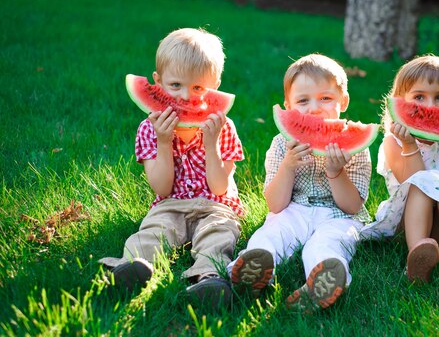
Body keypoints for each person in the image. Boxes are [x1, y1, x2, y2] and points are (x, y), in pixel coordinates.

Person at [99, 28, 244, 308]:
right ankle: (130, 268)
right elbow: (162, 187)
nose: (185, 97)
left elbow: (219, 187)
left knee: (219, 233)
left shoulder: (222, 127)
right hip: (169, 204)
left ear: (215, 86)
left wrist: (211, 143)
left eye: (198, 88)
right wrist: (164, 142)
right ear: (157, 82)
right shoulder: (149, 129)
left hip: (216, 205)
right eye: (175, 85)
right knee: (152, 231)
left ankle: (208, 278)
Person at [228, 54, 372, 312]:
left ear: (344, 101)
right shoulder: (281, 145)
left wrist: (336, 172)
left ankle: (324, 281)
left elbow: (352, 206)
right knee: (271, 234)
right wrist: (288, 167)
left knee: (327, 244)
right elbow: (275, 203)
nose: (314, 108)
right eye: (303, 101)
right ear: (288, 106)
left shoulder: (356, 148)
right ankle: (253, 268)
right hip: (293, 210)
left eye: (325, 98)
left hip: (339, 217)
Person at [360, 54, 439, 312]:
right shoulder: (393, 144)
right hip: (407, 225)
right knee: (425, 184)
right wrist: (409, 145)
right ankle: (416, 256)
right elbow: (413, 181)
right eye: (419, 97)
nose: (430, 105)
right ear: (399, 103)